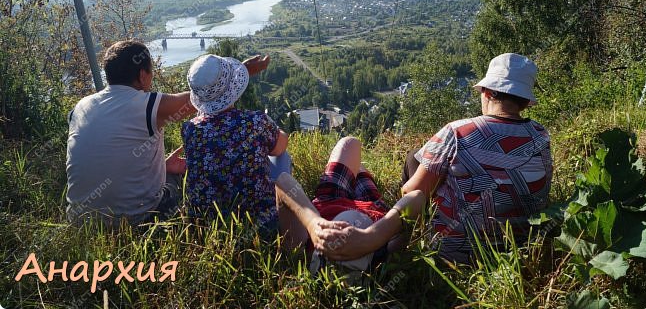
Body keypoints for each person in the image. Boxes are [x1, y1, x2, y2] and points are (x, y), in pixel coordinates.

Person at [299, 53, 553, 265]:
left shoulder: (459, 132)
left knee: (414, 162)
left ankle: (378, 224)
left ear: (486, 92)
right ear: (525, 103)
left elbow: (414, 192)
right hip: (519, 250)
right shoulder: (542, 136)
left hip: (454, 254)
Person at [65, 40, 269, 226]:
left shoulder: (80, 107)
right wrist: (243, 71)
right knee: (194, 178)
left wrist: (163, 167)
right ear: (142, 75)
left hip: (80, 221)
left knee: (174, 172)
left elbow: (107, 155)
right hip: (136, 221)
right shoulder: (146, 104)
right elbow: (205, 96)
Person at [275, 136, 418, 273]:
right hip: (373, 206)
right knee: (356, 159)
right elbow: (417, 197)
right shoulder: (384, 255)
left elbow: (283, 181)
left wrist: (313, 223)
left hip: (329, 199)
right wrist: (370, 238)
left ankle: (354, 173)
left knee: (349, 144)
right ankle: (357, 172)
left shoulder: (301, 255)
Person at [182, 54, 290, 233]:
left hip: (207, 227)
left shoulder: (189, 129)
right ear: (233, 87)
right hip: (260, 222)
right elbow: (280, 147)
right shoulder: (254, 121)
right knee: (282, 157)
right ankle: (285, 218)